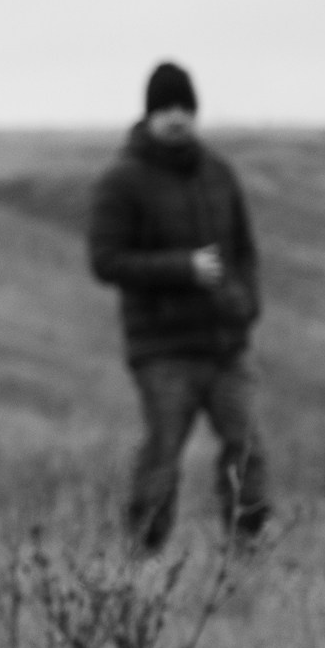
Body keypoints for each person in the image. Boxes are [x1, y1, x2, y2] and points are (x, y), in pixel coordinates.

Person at [87, 60, 270, 552]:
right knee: (163, 455)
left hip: (227, 344)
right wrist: (182, 268)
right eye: (166, 108)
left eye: (184, 107)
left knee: (247, 448)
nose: (176, 117)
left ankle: (245, 553)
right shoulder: (122, 181)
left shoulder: (218, 174)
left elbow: (245, 250)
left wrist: (248, 303)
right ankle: (141, 556)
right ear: (148, 114)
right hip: (163, 349)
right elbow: (105, 260)